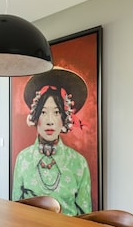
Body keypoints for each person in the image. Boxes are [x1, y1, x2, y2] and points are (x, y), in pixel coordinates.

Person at [12, 68, 92, 215]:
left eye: (56, 113)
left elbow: (86, 215)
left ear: (64, 119)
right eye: (43, 112)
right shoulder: (23, 158)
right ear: (35, 118)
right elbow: (16, 210)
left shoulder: (79, 163)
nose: (50, 121)